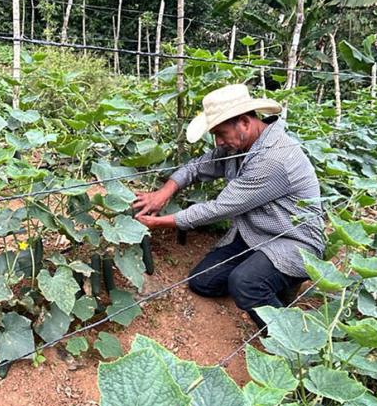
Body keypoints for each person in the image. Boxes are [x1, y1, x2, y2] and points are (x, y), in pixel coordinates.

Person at [133, 84, 325, 328]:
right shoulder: (239, 146)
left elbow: (220, 208)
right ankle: (268, 276)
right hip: (255, 235)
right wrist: (163, 193)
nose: (218, 141)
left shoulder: (273, 159)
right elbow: (197, 166)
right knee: (202, 281)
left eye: (221, 133)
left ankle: (294, 338)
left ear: (244, 122)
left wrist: (160, 222)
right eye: (214, 134)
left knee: (244, 283)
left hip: (293, 241)